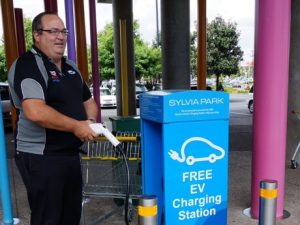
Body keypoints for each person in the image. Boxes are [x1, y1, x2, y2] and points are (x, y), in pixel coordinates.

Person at [8, 12, 98, 225]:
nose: (61, 37)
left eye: (64, 31)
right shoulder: (28, 64)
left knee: (70, 216)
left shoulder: (71, 66)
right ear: (37, 36)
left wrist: (90, 122)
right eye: (53, 31)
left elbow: (88, 101)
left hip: (69, 155)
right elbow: (35, 111)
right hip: (42, 156)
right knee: (48, 218)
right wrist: (77, 126)